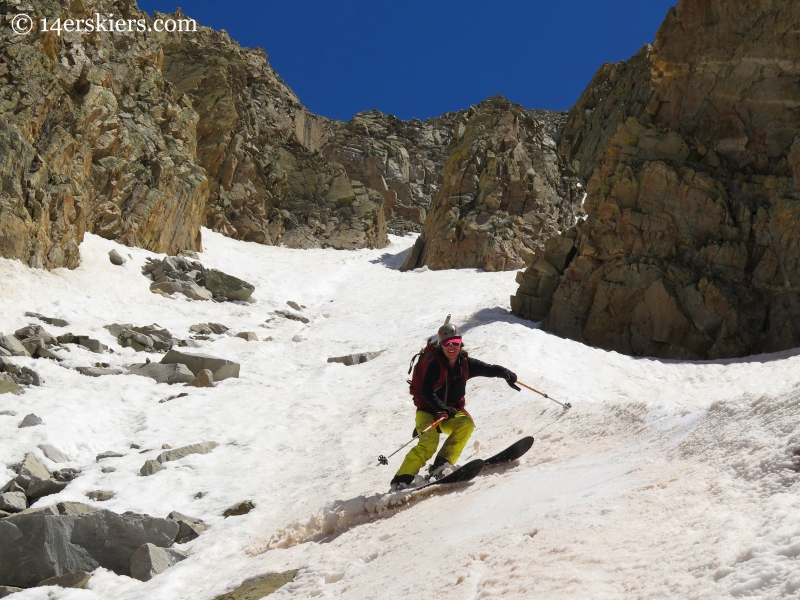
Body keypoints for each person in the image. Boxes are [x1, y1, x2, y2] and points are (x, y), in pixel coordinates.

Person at [389, 322, 518, 491]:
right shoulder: (434, 364)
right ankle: (401, 480)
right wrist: (440, 408)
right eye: (447, 344)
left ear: (460, 343)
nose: (452, 347)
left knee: (466, 424)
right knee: (428, 444)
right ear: (441, 346)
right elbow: (426, 391)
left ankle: (442, 465)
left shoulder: (465, 363)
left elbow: (488, 369)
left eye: (455, 343)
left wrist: (506, 373)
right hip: (428, 411)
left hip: (448, 413)